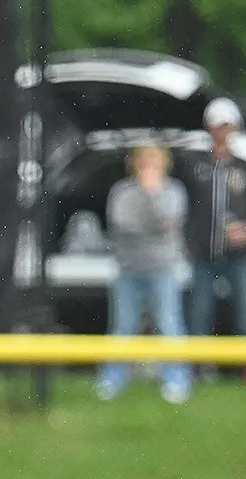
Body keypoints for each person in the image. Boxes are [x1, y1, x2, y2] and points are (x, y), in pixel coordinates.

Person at [178, 99, 246, 382]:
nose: (222, 132)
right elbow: (185, 203)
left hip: (238, 254)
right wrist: (190, 237)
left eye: (227, 126)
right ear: (208, 129)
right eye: (217, 127)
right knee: (200, 311)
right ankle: (199, 367)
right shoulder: (195, 166)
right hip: (203, 253)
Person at [97, 145, 192, 404]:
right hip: (128, 269)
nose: (150, 167)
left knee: (169, 324)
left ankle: (176, 379)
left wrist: (152, 195)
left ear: (164, 165)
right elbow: (121, 223)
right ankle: (113, 378)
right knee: (122, 326)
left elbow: (168, 221)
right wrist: (152, 220)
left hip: (163, 269)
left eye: (155, 162)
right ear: (136, 165)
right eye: (145, 162)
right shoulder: (121, 192)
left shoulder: (173, 191)